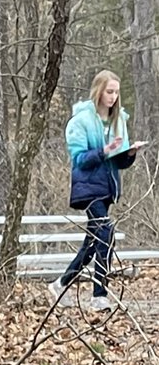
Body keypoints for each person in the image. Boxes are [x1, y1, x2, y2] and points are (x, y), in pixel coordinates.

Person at [50, 69, 147, 310]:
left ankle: (61, 283)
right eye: (109, 91)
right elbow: (80, 159)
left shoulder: (118, 121)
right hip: (88, 188)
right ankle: (99, 294)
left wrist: (130, 153)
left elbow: (119, 161)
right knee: (106, 233)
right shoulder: (81, 121)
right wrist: (104, 150)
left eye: (116, 92)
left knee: (93, 241)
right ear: (99, 91)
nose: (113, 97)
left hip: (108, 188)